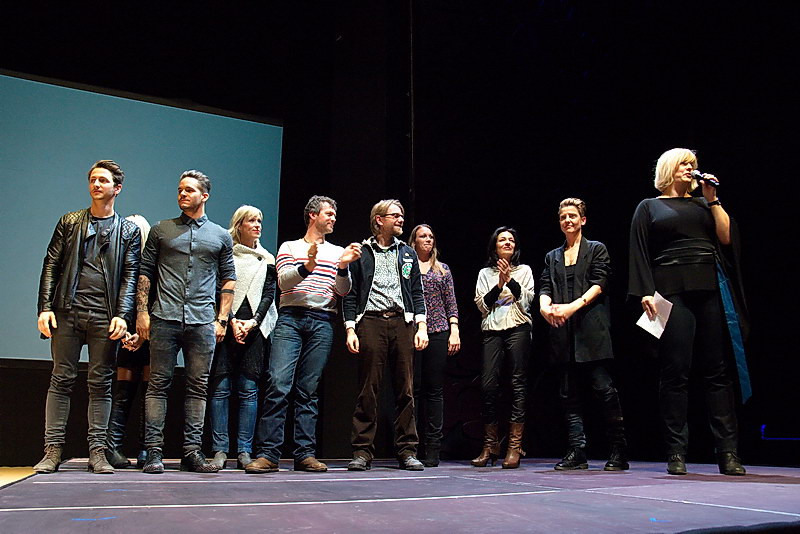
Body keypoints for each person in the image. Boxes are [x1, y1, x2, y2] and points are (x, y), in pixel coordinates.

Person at [629, 148, 747, 476]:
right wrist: (645, 291)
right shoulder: (649, 206)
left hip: (709, 289)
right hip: (670, 291)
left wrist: (713, 199)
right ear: (669, 167)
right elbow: (638, 252)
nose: (690, 168)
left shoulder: (704, 204)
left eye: (692, 164)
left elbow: (726, 237)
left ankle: (728, 453)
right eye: (683, 163)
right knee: (675, 371)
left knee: (718, 371)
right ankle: (676, 452)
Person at [35, 160, 141, 474]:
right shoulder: (70, 222)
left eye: (103, 180)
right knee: (61, 379)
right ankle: (52, 451)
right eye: (93, 179)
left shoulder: (128, 231)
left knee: (101, 384)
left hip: (104, 316)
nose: (96, 185)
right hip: (67, 311)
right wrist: (44, 307)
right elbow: (51, 265)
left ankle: (98, 451)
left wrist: (123, 315)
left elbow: (130, 276)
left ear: (117, 188)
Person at [246, 195, 361, 474]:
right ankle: (268, 454)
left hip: (323, 320)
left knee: (308, 390)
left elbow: (343, 291)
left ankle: (305, 454)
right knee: (278, 383)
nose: (333, 218)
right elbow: (284, 283)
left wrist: (343, 266)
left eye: (334, 214)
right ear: (313, 215)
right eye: (328, 213)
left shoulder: (337, 252)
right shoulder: (290, 247)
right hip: (291, 319)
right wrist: (306, 266)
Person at [136, 170, 236, 473]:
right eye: (180, 189)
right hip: (164, 316)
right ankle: (154, 452)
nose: (182, 194)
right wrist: (142, 312)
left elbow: (228, 278)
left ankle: (192, 452)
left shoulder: (220, 235)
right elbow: (145, 272)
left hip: (202, 320)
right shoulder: (161, 230)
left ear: (204, 196)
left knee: (198, 387)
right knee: (158, 385)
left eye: (189, 190)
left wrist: (222, 320)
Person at [539, 198, 628, 471]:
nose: (568, 220)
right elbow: (545, 285)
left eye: (572, 216)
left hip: (590, 329)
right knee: (569, 394)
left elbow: (599, 283)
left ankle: (618, 450)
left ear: (583, 220)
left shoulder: (596, 249)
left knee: (604, 390)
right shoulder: (552, 256)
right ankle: (577, 451)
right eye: (563, 217)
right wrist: (544, 307)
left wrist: (571, 307)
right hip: (562, 333)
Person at [343, 199, 428, 471]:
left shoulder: (407, 253)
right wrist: (350, 328)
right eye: (395, 215)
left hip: (402, 322)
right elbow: (350, 294)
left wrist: (421, 325)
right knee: (368, 389)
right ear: (379, 220)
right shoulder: (362, 252)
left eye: (402, 215)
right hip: (370, 321)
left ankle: (407, 450)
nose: (401, 219)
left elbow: (416, 291)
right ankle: (362, 451)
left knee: (405, 389)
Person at [208, 205, 278, 470]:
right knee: (221, 388)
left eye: (259, 220)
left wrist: (253, 322)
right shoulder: (226, 255)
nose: (258, 225)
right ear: (239, 225)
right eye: (251, 220)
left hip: (255, 329)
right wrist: (232, 320)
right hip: (226, 326)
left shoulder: (267, 258)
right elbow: (220, 288)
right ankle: (219, 449)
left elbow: (269, 294)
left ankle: (244, 450)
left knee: (249, 390)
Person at [472, 226, 534, 469]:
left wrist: (510, 279)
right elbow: (481, 305)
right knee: (488, 386)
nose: (507, 243)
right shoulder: (484, 273)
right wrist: (499, 284)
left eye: (511, 240)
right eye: (502, 240)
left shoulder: (524, 270)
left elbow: (527, 300)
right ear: (495, 246)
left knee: (517, 384)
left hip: (518, 327)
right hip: (492, 329)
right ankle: (490, 444)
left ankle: (514, 446)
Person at [407, 224, 460, 467]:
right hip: (411, 332)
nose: (428, 239)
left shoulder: (442, 270)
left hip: (438, 330)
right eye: (423, 236)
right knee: (413, 389)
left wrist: (454, 330)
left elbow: (451, 302)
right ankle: (411, 446)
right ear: (414, 241)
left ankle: (433, 447)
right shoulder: (406, 268)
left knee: (434, 390)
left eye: (430, 236)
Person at [105, 215, 152, 469]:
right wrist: (125, 335)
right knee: (122, 392)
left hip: (149, 335)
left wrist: (143, 335)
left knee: (148, 393)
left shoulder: (152, 265)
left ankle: (146, 448)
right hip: (124, 335)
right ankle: (112, 447)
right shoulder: (118, 263)